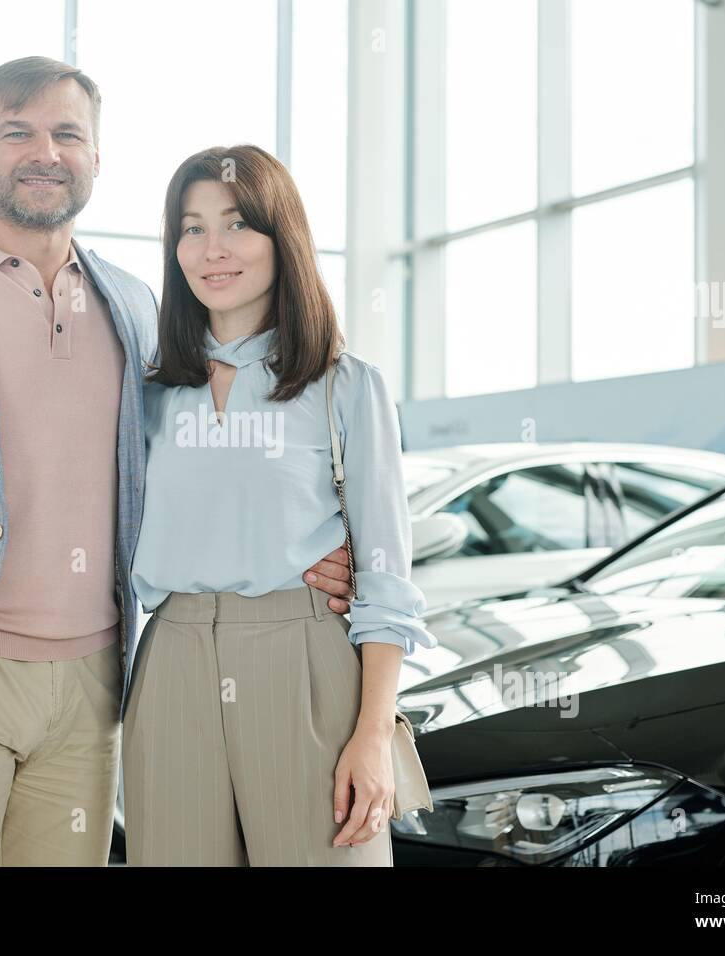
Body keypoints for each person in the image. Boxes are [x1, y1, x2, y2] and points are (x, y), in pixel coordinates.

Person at [0, 57, 353, 867]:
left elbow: (193, 465)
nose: (45, 151)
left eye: (68, 133)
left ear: (96, 157)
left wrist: (310, 554)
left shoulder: (136, 305)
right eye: (16, 131)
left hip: (98, 688)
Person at [121, 144, 437, 866]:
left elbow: (387, 580)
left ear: (281, 237)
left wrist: (371, 734)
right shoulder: (146, 395)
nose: (212, 249)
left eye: (236, 224)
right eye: (192, 228)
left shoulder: (345, 386)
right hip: (170, 660)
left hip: (305, 661)